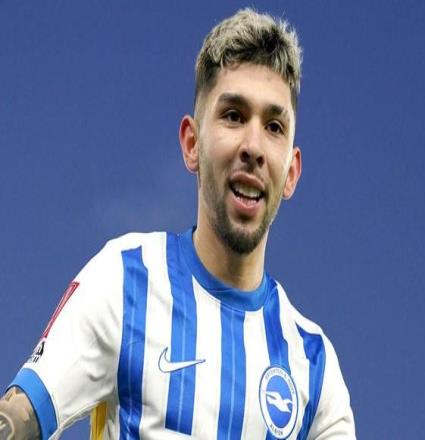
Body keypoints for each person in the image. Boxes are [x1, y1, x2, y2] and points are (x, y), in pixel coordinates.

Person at [0, 8, 355, 440]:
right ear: (191, 144)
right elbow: (17, 421)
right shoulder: (124, 281)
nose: (253, 146)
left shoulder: (314, 367)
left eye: (274, 126)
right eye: (233, 115)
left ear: (292, 172)